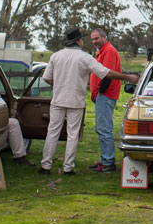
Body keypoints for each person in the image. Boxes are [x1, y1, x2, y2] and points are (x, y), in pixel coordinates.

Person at [39, 28, 139, 175]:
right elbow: (106, 73)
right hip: (76, 101)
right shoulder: (84, 57)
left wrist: (60, 85)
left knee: (52, 132)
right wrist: (128, 77)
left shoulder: (55, 56)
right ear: (79, 41)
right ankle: (68, 167)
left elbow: (46, 78)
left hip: (58, 99)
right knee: (72, 134)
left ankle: (45, 166)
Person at [88, 28, 122, 173]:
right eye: (92, 39)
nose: (94, 41)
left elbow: (107, 74)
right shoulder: (102, 51)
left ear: (104, 37)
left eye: (96, 38)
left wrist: (100, 92)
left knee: (104, 129)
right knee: (101, 128)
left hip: (106, 95)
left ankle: (108, 162)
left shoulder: (108, 50)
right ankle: (104, 159)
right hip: (102, 95)